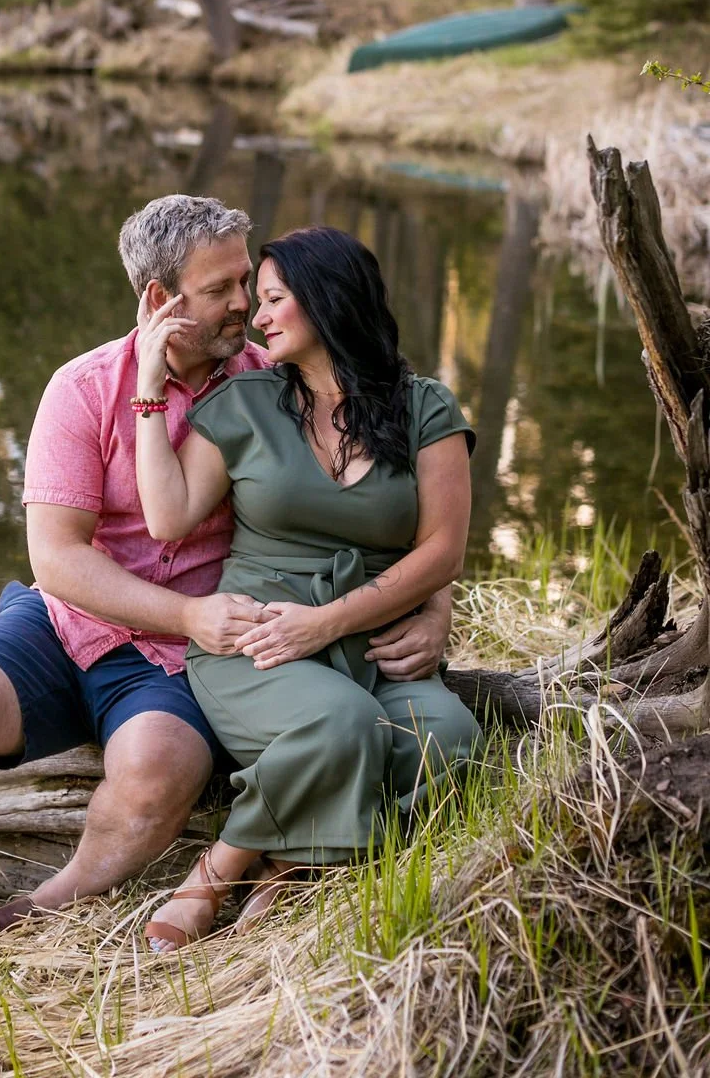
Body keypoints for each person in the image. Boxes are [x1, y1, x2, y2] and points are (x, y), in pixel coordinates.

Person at [0, 197, 456, 944]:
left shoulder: (274, 377)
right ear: (159, 301)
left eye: (248, 281)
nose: (247, 303)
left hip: (185, 660)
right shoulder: (82, 388)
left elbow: (381, 500)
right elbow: (55, 558)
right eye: (222, 290)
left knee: (156, 770)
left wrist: (435, 601)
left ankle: (44, 908)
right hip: (70, 623)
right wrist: (183, 612)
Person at [133, 225, 481, 952]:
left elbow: (443, 549)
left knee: (451, 741)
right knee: (344, 724)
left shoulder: (426, 409)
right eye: (256, 301)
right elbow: (167, 517)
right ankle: (218, 872)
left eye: (273, 299)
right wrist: (147, 390)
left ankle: (289, 860)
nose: (257, 318)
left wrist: (331, 622)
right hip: (255, 642)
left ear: (326, 300)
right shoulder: (249, 402)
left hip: (372, 643)